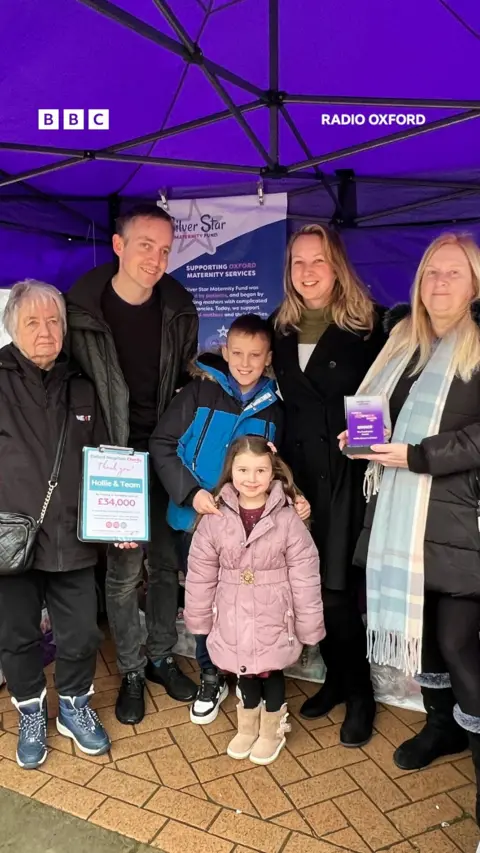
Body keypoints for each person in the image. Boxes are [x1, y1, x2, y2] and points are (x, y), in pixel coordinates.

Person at [349, 233, 480, 825]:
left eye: (455, 273)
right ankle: (440, 728)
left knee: (458, 644)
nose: (441, 284)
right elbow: (375, 416)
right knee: (425, 637)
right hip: (399, 518)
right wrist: (360, 442)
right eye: (432, 273)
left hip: (456, 518)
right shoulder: (403, 341)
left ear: (476, 283)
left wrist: (420, 454)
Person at [66, 204, 199, 725]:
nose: (156, 258)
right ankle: (131, 669)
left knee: (165, 565)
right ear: (119, 246)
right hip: (112, 461)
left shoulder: (179, 308)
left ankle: (162, 655)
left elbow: (186, 379)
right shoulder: (80, 312)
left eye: (165, 249)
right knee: (122, 575)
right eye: (146, 245)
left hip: (166, 454)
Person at [150, 313, 309, 725]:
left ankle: (250, 675)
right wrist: (191, 492)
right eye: (237, 353)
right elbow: (163, 443)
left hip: (249, 532)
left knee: (244, 603)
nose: (244, 362)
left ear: (268, 357)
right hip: (193, 521)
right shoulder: (199, 392)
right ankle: (210, 674)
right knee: (204, 602)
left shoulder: (276, 406)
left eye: (255, 355)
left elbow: (281, 467)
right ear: (225, 351)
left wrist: (297, 497)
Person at [270, 224, 386, 747]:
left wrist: (365, 440)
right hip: (297, 480)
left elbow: (387, 401)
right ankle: (335, 680)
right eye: (298, 262)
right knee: (311, 589)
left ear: (337, 265)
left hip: (345, 475)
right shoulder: (281, 329)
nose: (308, 271)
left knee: (339, 593)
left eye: (318, 261)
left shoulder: (369, 328)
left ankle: (359, 692)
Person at [0, 280, 110, 769]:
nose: (45, 331)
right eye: (33, 322)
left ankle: (73, 705)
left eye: (53, 321)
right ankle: (29, 711)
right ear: (12, 328)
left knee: (82, 632)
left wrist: (117, 517)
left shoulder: (82, 385)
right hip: (10, 542)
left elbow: (106, 460)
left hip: (73, 537)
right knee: (15, 634)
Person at [184, 437, 324, 765]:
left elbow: (305, 573)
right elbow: (201, 572)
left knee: (271, 670)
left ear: (272, 472)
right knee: (244, 671)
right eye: (243, 469)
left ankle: (272, 729)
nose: (251, 478)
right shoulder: (215, 517)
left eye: (260, 470)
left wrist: (308, 626)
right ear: (230, 471)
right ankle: (247, 727)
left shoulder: (288, 517)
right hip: (232, 612)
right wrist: (200, 619)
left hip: (274, 612)